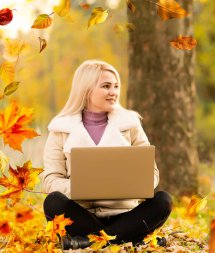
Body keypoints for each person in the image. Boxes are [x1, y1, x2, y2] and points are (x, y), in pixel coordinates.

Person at [41, 59, 172, 250]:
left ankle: (90, 241)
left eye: (116, 86)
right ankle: (125, 237)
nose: (114, 92)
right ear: (86, 89)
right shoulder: (60, 129)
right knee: (52, 202)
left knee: (163, 201)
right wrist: (81, 187)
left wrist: (130, 185)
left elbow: (151, 173)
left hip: (126, 213)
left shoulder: (131, 124)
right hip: (84, 215)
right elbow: (51, 179)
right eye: (106, 86)